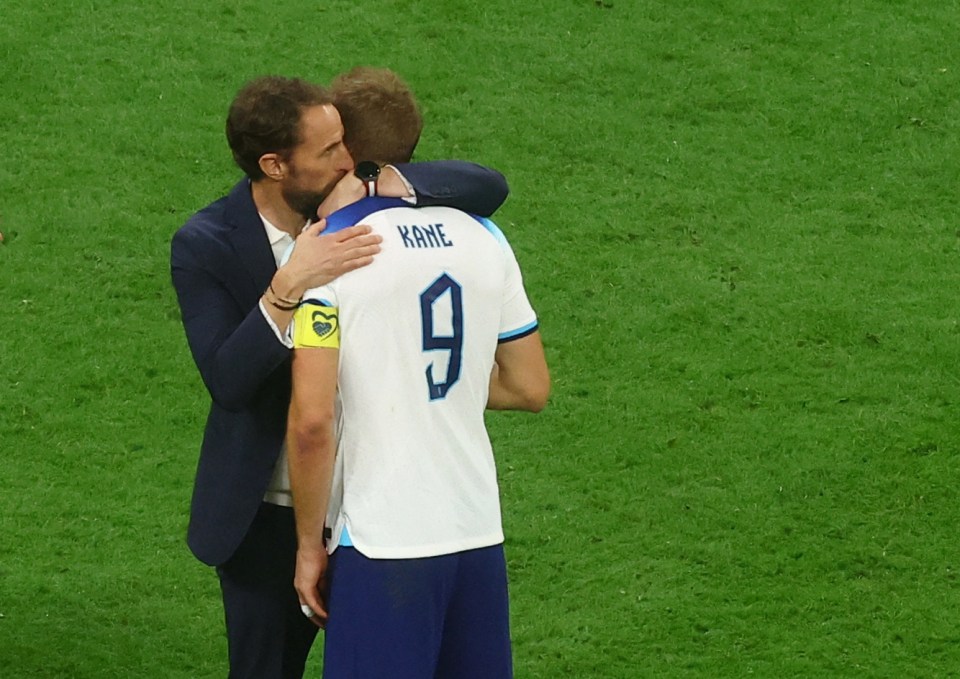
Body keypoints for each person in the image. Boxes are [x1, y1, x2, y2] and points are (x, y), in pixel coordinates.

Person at [170, 74, 512, 679]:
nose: (347, 160)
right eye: (329, 152)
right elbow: (229, 381)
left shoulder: (373, 209)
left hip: (368, 517)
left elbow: (487, 185)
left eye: (348, 145)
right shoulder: (208, 243)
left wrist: (389, 178)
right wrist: (290, 285)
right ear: (275, 165)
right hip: (272, 515)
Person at [286, 67, 550, 678]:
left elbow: (313, 421)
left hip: (382, 540)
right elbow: (530, 386)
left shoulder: (332, 250)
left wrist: (306, 548)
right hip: (475, 529)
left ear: (345, 149)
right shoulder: (484, 234)